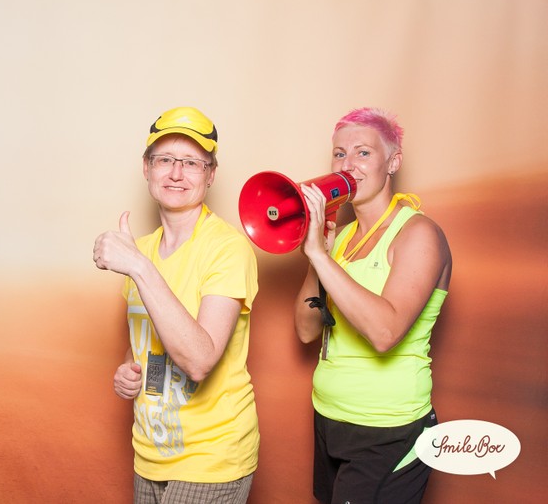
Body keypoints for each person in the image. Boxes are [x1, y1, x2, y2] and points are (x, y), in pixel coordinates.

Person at [93, 107, 260, 503]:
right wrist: (127, 371)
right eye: (165, 159)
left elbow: (199, 360)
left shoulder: (227, 248)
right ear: (147, 168)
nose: (176, 173)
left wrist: (138, 266)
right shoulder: (142, 248)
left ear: (210, 174)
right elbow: (144, 342)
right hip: (149, 454)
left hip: (211, 459)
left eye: (191, 163)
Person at [293, 107, 452, 503]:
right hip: (329, 418)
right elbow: (306, 330)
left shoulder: (418, 232)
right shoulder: (342, 237)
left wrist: (322, 258)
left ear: (393, 162)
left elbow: (385, 332)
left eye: (363, 152)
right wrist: (317, 257)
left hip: (388, 430)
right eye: (339, 153)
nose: (348, 164)